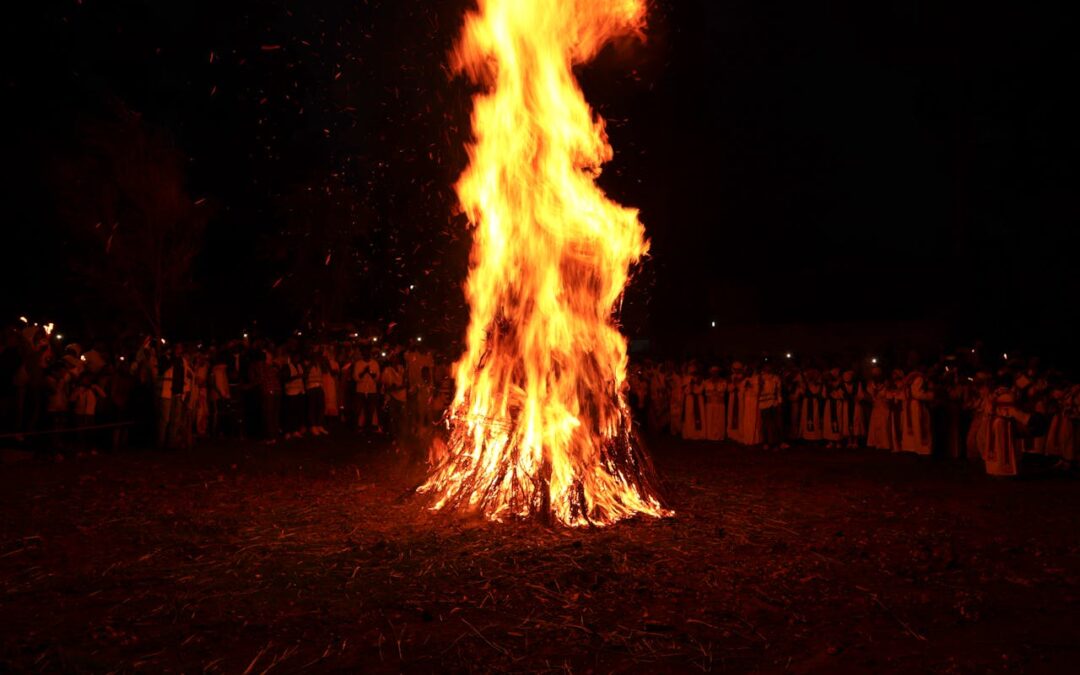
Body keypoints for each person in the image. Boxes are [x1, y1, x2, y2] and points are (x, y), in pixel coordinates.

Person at [900, 366, 934, 455]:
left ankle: (916, 448)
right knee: (919, 427)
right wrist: (930, 395)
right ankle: (922, 450)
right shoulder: (919, 379)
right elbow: (916, 394)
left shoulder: (913, 379)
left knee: (917, 427)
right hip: (918, 405)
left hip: (913, 405)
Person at [758, 362, 785, 449]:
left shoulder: (776, 378)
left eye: (769, 367)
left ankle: (777, 442)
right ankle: (766, 442)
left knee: (776, 423)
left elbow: (779, 391)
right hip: (763, 403)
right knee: (765, 424)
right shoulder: (760, 378)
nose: (768, 368)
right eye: (766, 367)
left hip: (774, 403)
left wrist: (779, 403)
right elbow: (757, 390)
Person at [281, 350, 307, 440]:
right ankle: (287, 431)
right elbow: (284, 379)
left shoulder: (300, 366)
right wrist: (297, 377)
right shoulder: (287, 367)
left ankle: (295, 430)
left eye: (298, 357)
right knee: (289, 413)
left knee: (297, 412)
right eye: (296, 357)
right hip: (291, 392)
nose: (297, 359)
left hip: (299, 392)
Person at [354, 348, 381, 431]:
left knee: (371, 409)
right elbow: (356, 378)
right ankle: (359, 426)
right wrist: (363, 372)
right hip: (361, 390)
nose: (366, 355)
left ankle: (369, 426)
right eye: (365, 353)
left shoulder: (375, 364)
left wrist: (369, 372)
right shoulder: (358, 364)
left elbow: (377, 378)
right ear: (362, 354)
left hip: (371, 390)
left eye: (368, 353)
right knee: (359, 408)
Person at [381, 356, 407, 440]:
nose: (395, 361)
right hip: (392, 397)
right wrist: (391, 388)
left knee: (401, 417)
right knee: (393, 417)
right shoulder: (387, 370)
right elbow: (383, 384)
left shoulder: (401, 369)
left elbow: (405, 382)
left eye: (396, 359)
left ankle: (401, 434)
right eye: (393, 360)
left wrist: (399, 387)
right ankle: (393, 435)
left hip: (402, 397)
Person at [305, 351, 328, 436]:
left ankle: (319, 425)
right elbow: (305, 374)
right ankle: (313, 426)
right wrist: (311, 365)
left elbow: (325, 371)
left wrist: (323, 363)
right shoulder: (307, 364)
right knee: (312, 407)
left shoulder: (319, 365)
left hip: (319, 386)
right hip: (311, 387)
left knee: (321, 406)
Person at [681, 363, 706, 440]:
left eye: (694, 372)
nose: (693, 373)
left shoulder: (701, 379)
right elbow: (685, 391)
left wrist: (695, 389)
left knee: (698, 415)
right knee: (689, 415)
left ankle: (699, 433)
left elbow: (701, 389)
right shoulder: (685, 378)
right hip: (689, 399)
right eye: (692, 372)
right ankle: (690, 433)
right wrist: (690, 385)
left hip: (698, 399)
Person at [799, 369, 824, 444]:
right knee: (807, 419)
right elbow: (802, 392)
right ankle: (807, 437)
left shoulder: (819, 384)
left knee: (816, 419)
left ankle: (817, 437)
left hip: (816, 403)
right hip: (808, 403)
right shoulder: (805, 384)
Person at [703, 366, 727, 441]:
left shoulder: (723, 381)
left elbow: (722, 391)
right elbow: (707, 392)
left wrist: (714, 392)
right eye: (713, 372)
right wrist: (715, 392)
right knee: (710, 419)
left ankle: (719, 435)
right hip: (710, 404)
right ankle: (710, 435)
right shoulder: (706, 382)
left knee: (719, 420)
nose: (715, 374)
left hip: (719, 404)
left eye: (716, 372)